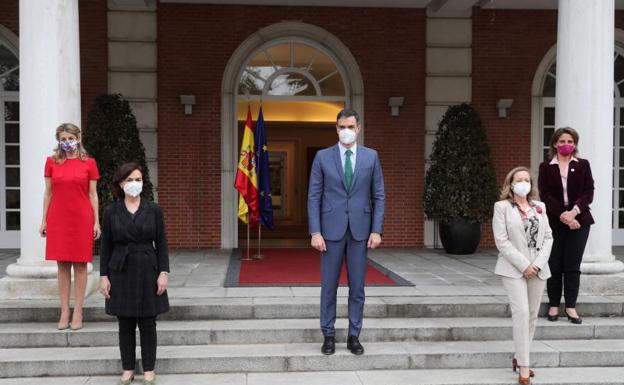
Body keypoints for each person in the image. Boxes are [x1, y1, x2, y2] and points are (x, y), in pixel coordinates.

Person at [307, 108, 385, 356]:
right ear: (336, 128)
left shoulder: (371, 157)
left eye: (351, 126)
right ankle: (328, 335)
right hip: (330, 231)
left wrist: (377, 229)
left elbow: (379, 196)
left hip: (360, 231)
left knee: (357, 287)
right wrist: (315, 231)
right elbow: (313, 196)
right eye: (342, 126)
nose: (347, 131)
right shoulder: (322, 157)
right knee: (329, 286)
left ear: (358, 128)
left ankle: (354, 335)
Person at [99, 163, 169, 385]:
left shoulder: (153, 209)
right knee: (125, 323)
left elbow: (162, 243)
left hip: (148, 268)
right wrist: (103, 276)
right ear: (121, 183)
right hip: (120, 269)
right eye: (129, 180)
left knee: (148, 323)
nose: (134, 184)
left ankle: (149, 369)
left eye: (138, 179)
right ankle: (128, 368)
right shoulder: (111, 211)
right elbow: (105, 246)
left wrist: (163, 272)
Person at [492, 166, 553, 385]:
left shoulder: (540, 207)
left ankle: (519, 357)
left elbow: (548, 237)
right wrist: (524, 265)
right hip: (512, 268)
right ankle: (525, 367)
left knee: (533, 314)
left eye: (527, 180)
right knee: (521, 312)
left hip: (538, 268)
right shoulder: (502, 208)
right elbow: (501, 240)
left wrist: (536, 265)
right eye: (519, 180)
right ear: (511, 184)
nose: (523, 183)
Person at [40, 123, 100, 331]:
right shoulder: (51, 162)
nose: (67, 142)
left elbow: (93, 194)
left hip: (82, 217)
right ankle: (65, 310)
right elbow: (48, 193)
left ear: (78, 138)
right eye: (63, 139)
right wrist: (44, 220)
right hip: (58, 217)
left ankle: (79, 310)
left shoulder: (89, 163)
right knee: (62, 265)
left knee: (81, 265)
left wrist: (96, 221)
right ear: (58, 140)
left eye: (70, 138)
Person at [538, 127, 594, 325]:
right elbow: (545, 195)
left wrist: (574, 213)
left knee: (572, 265)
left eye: (570, 141)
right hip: (554, 221)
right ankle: (554, 304)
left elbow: (589, 192)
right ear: (554, 144)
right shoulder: (546, 167)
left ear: (575, 144)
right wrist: (563, 215)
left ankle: (570, 306)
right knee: (554, 264)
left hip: (580, 221)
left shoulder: (583, 165)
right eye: (561, 141)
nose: (566, 145)